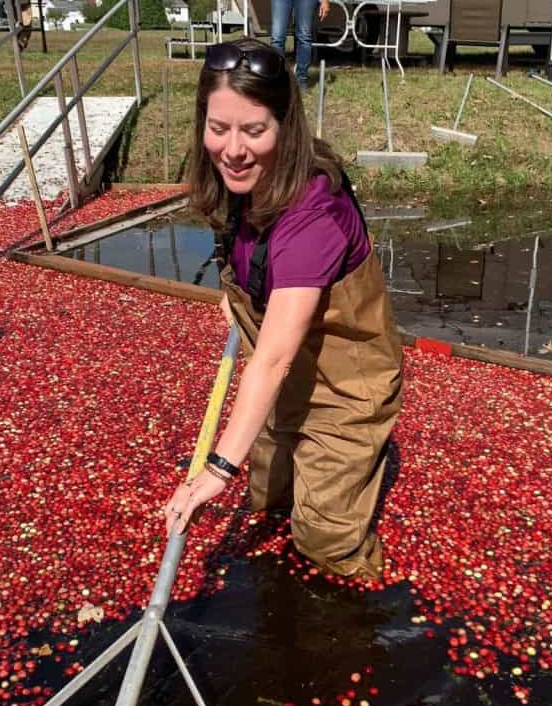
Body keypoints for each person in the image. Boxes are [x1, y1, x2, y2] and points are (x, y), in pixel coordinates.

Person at [164, 39, 403, 580]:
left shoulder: (311, 215)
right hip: (289, 381)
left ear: (284, 128)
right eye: (219, 128)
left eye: (254, 130)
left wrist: (217, 469)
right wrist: (239, 291)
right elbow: (247, 261)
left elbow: (270, 360)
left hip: (344, 392)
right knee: (267, 499)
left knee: (323, 537)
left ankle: (355, 616)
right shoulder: (234, 184)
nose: (233, 149)